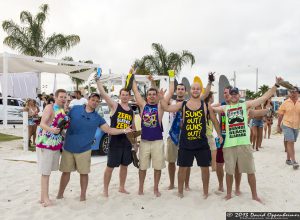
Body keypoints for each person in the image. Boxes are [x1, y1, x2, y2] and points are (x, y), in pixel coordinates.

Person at [212, 77, 283, 202]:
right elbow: (210, 110)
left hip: (244, 143)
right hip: (229, 145)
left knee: (250, 171)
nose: (233, 95)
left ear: (239, 95)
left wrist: (276, 85)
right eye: (231, 93)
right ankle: (229, 194)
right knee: (229, 172)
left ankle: (254, 195)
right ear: (229, 95)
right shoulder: (225, 108)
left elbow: (263, 97)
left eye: (235, 93)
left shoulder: (245, 105)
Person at [57, 93, 132, 201]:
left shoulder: (98, 118)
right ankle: (60, 194)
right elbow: (62, 119)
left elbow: (109, 130)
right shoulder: (75, 109)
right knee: (65, 173)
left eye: (97, 101)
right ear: (88, 99)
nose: (95, 102)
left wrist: (124, 130)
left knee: (84, 174)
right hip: (68, 147)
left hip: (85, 149)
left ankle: (83, 196)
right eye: (93, 100)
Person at [160, 82, 223, 198]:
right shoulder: (183, 104)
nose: (195, 90)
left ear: (200, 91)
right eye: (193, 88)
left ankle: (205, 192)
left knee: (205, 168)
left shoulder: (205, 105)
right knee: (182, 168)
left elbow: (214, 120)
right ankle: (180, 192)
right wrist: (161, 97)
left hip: (201, 142)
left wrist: (219, 134)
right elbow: (166, 108)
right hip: (186, 142)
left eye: (198, 89)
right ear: (190, 90)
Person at [131, 69, 174, 197]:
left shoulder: (160, 106)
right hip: (144, 142)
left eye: (153, 94)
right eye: (149, 94)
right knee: (142, 167)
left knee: (157, 167)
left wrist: (171, 75)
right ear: (147, 96)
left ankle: (155, 188)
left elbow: (171, 91)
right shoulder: (143, 105)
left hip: (157, 142)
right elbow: (135, 91)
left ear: (156, 96)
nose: (151, 96)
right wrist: (131, 75)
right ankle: (140, 188)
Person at [96, 79, 136, 197]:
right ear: (120, 96)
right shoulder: (114, 105)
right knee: (110, 166)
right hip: (115, 141)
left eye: (126, 95)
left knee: (125, 166)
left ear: (129, 97)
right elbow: (103, 94)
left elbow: (132, 128)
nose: (124, 97)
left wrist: (135, 144)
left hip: (127, 142)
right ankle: (105, 190)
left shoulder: (131, 112)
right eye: (122, 95)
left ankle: (121, 187)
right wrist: (98, 82)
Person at [35, 89, 69, 207]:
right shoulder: (49, 107)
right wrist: (52, 130)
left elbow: (61, 126)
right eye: (61, 97)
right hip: (45, 142)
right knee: (45, 172)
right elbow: (42, 123)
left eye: (65, 97)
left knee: (48, 170)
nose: (63, 99)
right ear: (55, 97)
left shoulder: (62, 109)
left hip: (55, 143)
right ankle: (45, 198)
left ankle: (42, 197)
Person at [277, 87, 300, 169]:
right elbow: (280, 115)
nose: (293, 93)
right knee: (290, 141)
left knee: (291, 142)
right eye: (291, 92)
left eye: (295, 92)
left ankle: (288, 159)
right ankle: (294, 161)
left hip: (296, 126)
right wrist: (278, 125)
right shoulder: (285, 103)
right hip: (287, 125)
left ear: (298, 93)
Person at [204, 92, 217, 172]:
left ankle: (210, 165)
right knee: (213, 149)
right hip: (207, 132)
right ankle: (213, 167)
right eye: (213, 96)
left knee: (209, 149)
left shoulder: (205, 105)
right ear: (210, 98)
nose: (214, 98)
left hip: (207, 132)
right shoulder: (208, 106)